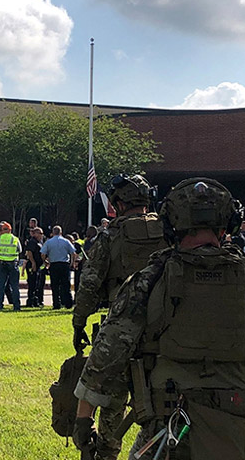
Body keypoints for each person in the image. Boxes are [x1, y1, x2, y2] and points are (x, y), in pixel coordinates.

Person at [73, 178, 245, 460]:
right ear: (227, 226)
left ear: (171, 225)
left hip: (167, 426)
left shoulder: (148, 282)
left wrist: (83, 419)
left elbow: (105, 358)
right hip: (236, 427)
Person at [71, 174, 168, 460]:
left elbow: (89, 284)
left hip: (121, 328)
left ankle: (107, 451)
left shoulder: (111, 235)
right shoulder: (169, 231)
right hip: (164, 331)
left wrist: (79, 322)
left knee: (112, 401)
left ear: (119, 203)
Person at [41, 225, 76, 309]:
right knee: (66, 285)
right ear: (61, 232)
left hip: (54, 265)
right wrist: (72, 262)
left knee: (55, 285)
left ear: (53, 233)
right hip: (64, 264)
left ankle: (56, 304)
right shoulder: (66, 241)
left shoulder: (48, 242)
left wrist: (45, 262)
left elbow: (42, 254)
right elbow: (73, 253)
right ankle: (68, 303)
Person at [0, 221, 22, 311]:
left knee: (1, 285)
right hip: (12, 263)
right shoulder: (15, 239)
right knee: (14, 286)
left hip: (1, 263)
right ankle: (16, 306)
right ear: (10, 230)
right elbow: (20, 250)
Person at [24, 227, 46, 307]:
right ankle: (30, 301)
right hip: (32, 265)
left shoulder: (38, 242)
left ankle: (35, 300)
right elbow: (29, 252)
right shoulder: (32, 242)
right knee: (32, 283)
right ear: (35, 234)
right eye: (40, 233)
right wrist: (33, 263)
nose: (42, 235)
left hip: (38, 265)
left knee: (37, 283)